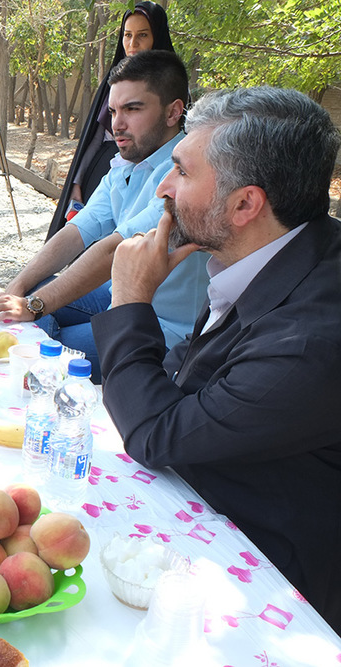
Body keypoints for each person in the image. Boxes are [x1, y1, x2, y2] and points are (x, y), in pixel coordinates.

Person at [91, 87, 341, 631]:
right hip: (210, 497)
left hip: (268, 588)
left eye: (181, 171)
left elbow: (155, 433)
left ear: (245, 205)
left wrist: (129, 300)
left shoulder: (309, 340)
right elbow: (185, 373)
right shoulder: (270, 252)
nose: (163, 187)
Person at [0, 50, 208, 382]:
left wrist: (34, 307)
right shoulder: (126, 164)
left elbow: (113, 250)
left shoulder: (185, 175)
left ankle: (43, 381)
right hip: (118, 298)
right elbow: (76, 232)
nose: (117, 124)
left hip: (164, 328)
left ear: (174, 111)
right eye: (114, 111)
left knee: (42, 343)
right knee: (36, 288)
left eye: (133, 109)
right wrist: (18, 288)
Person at [46, 1, 174, 240]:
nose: (133, 44)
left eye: (142, 35)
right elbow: (95, 136)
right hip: (106, 167)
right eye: (127, 35)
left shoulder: (173, 86)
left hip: (150, 173)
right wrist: (77, 182)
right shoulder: (115, 81)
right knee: (87, 236)